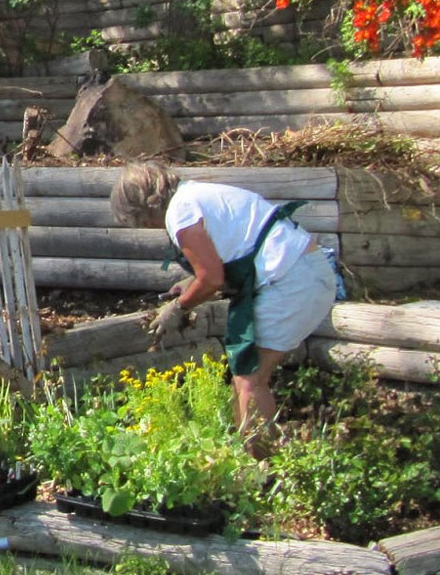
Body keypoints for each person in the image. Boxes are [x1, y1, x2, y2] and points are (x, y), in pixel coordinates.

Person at [110, 161, 338, 443]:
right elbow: (232, 254)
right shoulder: (196, 194)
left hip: (292, 279)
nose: (147, 227)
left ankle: (262, 470)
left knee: (249, 380)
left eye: (140, 222)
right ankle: (261, 460)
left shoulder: (181, 211)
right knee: (248, 378)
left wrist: (178, 308)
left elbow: (212, 279)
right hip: (304, 271)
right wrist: (189, 284)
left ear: (143, 208)